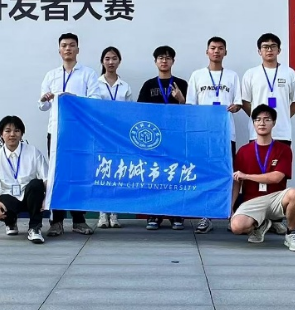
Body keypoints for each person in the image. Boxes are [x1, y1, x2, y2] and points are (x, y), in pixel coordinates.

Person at [38, 32, 104, 237]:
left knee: (79, 174)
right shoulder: (51, 75)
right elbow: (42, 106)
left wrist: (73, 98)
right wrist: (45, 98)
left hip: (80, 132)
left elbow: (95, 100)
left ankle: (79, 220)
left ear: (78, 49)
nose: (68, 48)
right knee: (57, 174)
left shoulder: (88, 74)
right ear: (59, 50)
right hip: (56, 132)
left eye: (72, 45)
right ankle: (56, 221)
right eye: (64, 45)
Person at [240, 32, 295, 236]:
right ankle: (258, 217)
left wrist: (280, 119)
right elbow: (245, 101)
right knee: (256, 172)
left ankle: (276, 219)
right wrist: (260, 122)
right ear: (259, 51)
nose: (269, 49)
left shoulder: (289, 73)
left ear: (279, 50)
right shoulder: (251, 74)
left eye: (273, 46)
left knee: (278, 177)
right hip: (257, 134)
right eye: (265, 46)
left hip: (282, 132)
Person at [229, 105, 295, 252]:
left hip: (276, 198)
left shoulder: (283, 149)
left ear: (274, 123)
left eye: (267, 119)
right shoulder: (244, 151)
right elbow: (237, 182)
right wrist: (230, 206)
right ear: (253, 123)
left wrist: (247, 176)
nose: (262, 123)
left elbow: (276, 177)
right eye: (257, 120)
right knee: (236, 227)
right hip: (252, 201)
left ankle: (291, 234)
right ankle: (260, 225)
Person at [186, 36, 242, 234]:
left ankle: (230, 212)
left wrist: (236, 107)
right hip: (204, 136)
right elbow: (191, 106)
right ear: (207, 51)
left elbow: (238, 103)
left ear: (225, 52)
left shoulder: (232, 76)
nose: (216, 51)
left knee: (229, 173)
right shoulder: (197, 75)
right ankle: (206, 214)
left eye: (220, 48)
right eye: (213, 48)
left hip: (226, 134)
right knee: (205, 173)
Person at [136, 45, 189, 230]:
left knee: (175, 174)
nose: (164, 61)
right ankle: (155, 213)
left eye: (167, 58)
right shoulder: (149, 85)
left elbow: (192, 113)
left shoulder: (181, 84)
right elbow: (139, 111)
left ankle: (176, 214)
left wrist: (181, 99)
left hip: (175, 137)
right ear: (155, 61)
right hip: (154, 138)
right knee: (155, 174)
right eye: (160, 58)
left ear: (173, 61)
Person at [0, 116, 49, 244]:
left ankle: (35, 228)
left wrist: (47, 198)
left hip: (30, 197)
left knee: (36, 184)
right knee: (1, 202)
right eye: (7, 131)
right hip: (10, 198)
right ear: (1, 134)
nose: (12, 134)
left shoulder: (33, 152)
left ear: (22, 134)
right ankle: (11, 222)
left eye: (17, 130)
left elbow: (46, 178)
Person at [95, 46, 133, 230]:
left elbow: (130, 112)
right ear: (102, 61)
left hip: (119, 136)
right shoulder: (95, 84)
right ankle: (102, 213)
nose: (111, 62)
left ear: (119, 61)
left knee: (117, 173)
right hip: (100, 135)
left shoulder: (125, 86)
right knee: (102, 173)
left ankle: (115, 214)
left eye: (114, 58)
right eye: (107, 58)